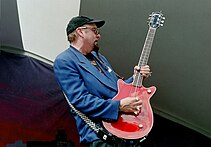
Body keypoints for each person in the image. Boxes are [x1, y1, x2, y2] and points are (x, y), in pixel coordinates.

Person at [53, 16, 152, 147]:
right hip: (102, 136)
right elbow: (80, 100)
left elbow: (117, 91)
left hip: (125, 131)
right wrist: (119, 106)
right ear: (80, 32)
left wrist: (135, 78)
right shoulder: (65, 60)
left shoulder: (100, 58)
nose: (98, 36)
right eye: (95, 31)